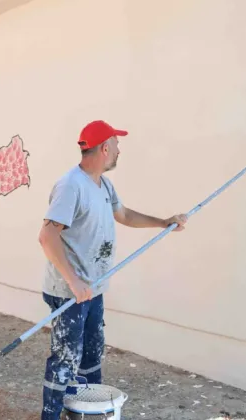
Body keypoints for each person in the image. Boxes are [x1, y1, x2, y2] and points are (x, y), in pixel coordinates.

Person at [38, 120, 188, 419]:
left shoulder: (103, 185)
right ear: (105, 148)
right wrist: (74, 282)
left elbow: (124, 214)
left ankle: (89, 411)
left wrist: (164, 222)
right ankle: (51, 416)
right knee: (66, 360)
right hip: (70, 291)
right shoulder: (71, 186)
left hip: (92, 288)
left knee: (92, 354)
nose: (119, 150)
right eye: (117, 145)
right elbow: (47, 236)